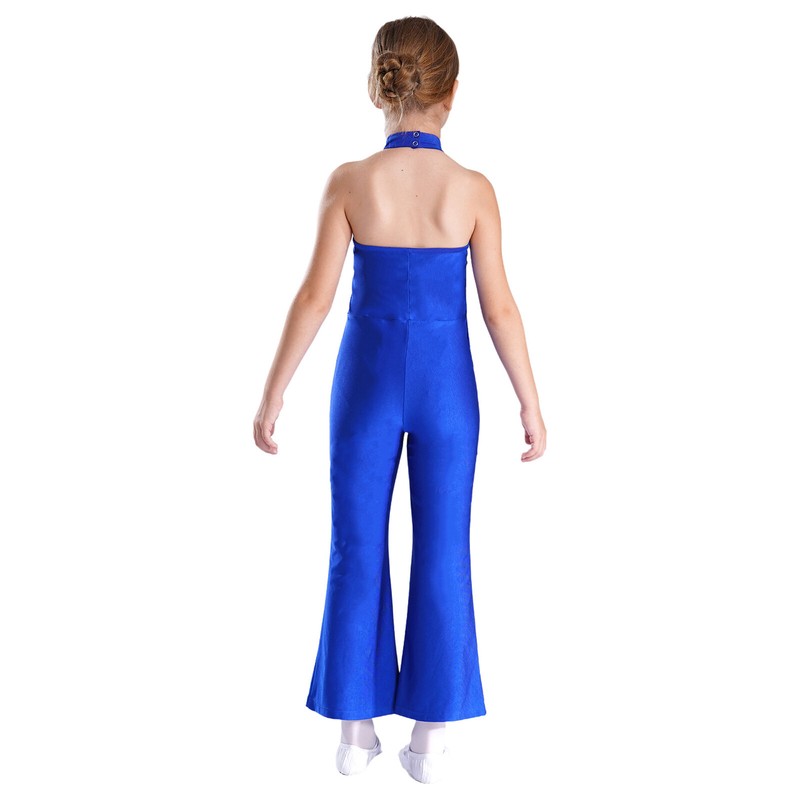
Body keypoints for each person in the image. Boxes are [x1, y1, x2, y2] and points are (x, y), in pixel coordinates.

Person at [253, 15, 546, 784]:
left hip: (366, 385)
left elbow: (315, 297)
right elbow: (500, 308)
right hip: (449, 391)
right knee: (445, 548)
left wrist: (274, 392)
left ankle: (354, 734)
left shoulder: (351, 182)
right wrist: (529, 401)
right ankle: (432, 739)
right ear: (453, 93)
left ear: (376, 86)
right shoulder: (473, 190)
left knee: (355, 544)